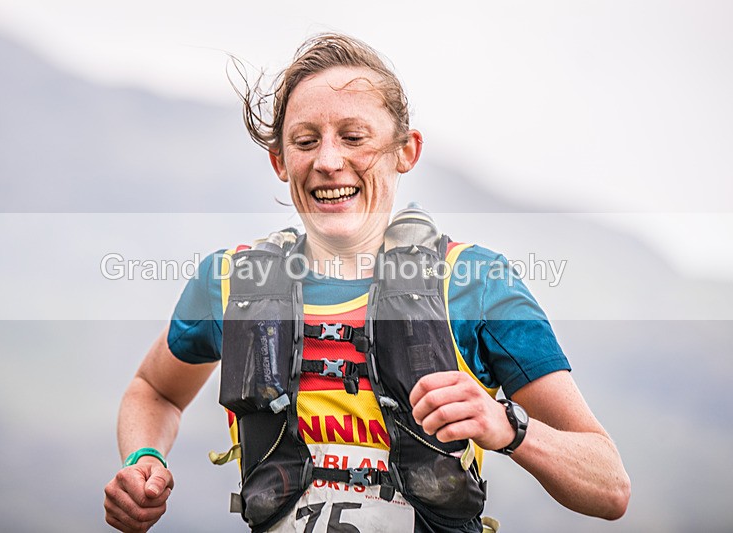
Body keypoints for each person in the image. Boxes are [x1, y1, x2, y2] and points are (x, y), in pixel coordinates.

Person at [103, 33, 630, 533]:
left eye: (354, 138)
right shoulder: (229, 282)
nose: (329, 161)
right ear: (280, 161)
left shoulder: (477, 284)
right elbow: (154, 391)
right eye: (306, 141)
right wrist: (144, 458)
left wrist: (508, 427)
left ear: (407, 151)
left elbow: (609, 487)